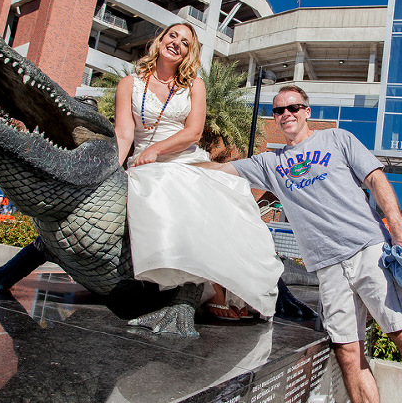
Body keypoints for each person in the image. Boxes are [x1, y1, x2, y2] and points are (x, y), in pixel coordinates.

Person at [199, 85, 402, 403]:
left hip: (367, 250)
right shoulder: (269, 163)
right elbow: (219, 169)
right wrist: (165, 165)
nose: (286, 113)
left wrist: (397, 226)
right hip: (327, 268)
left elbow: (375, 178)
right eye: (279, 110)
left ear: (307, 112)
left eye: (293, 107)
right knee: (347, 352)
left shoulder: (337, 139)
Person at [114, 22, 282, 321]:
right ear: (161, 39)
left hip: (183, 157)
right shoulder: (129, 84)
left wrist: (157, 150)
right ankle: (206, 286)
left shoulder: (194, 86)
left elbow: (193, 133)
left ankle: (223, 285)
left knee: (226, 188)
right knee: (166, 184)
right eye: (172, 36)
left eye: (185, 42)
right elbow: (124, 134)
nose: (177, 43)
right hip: (143, 164)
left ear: (189, 53)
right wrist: (113, 168)